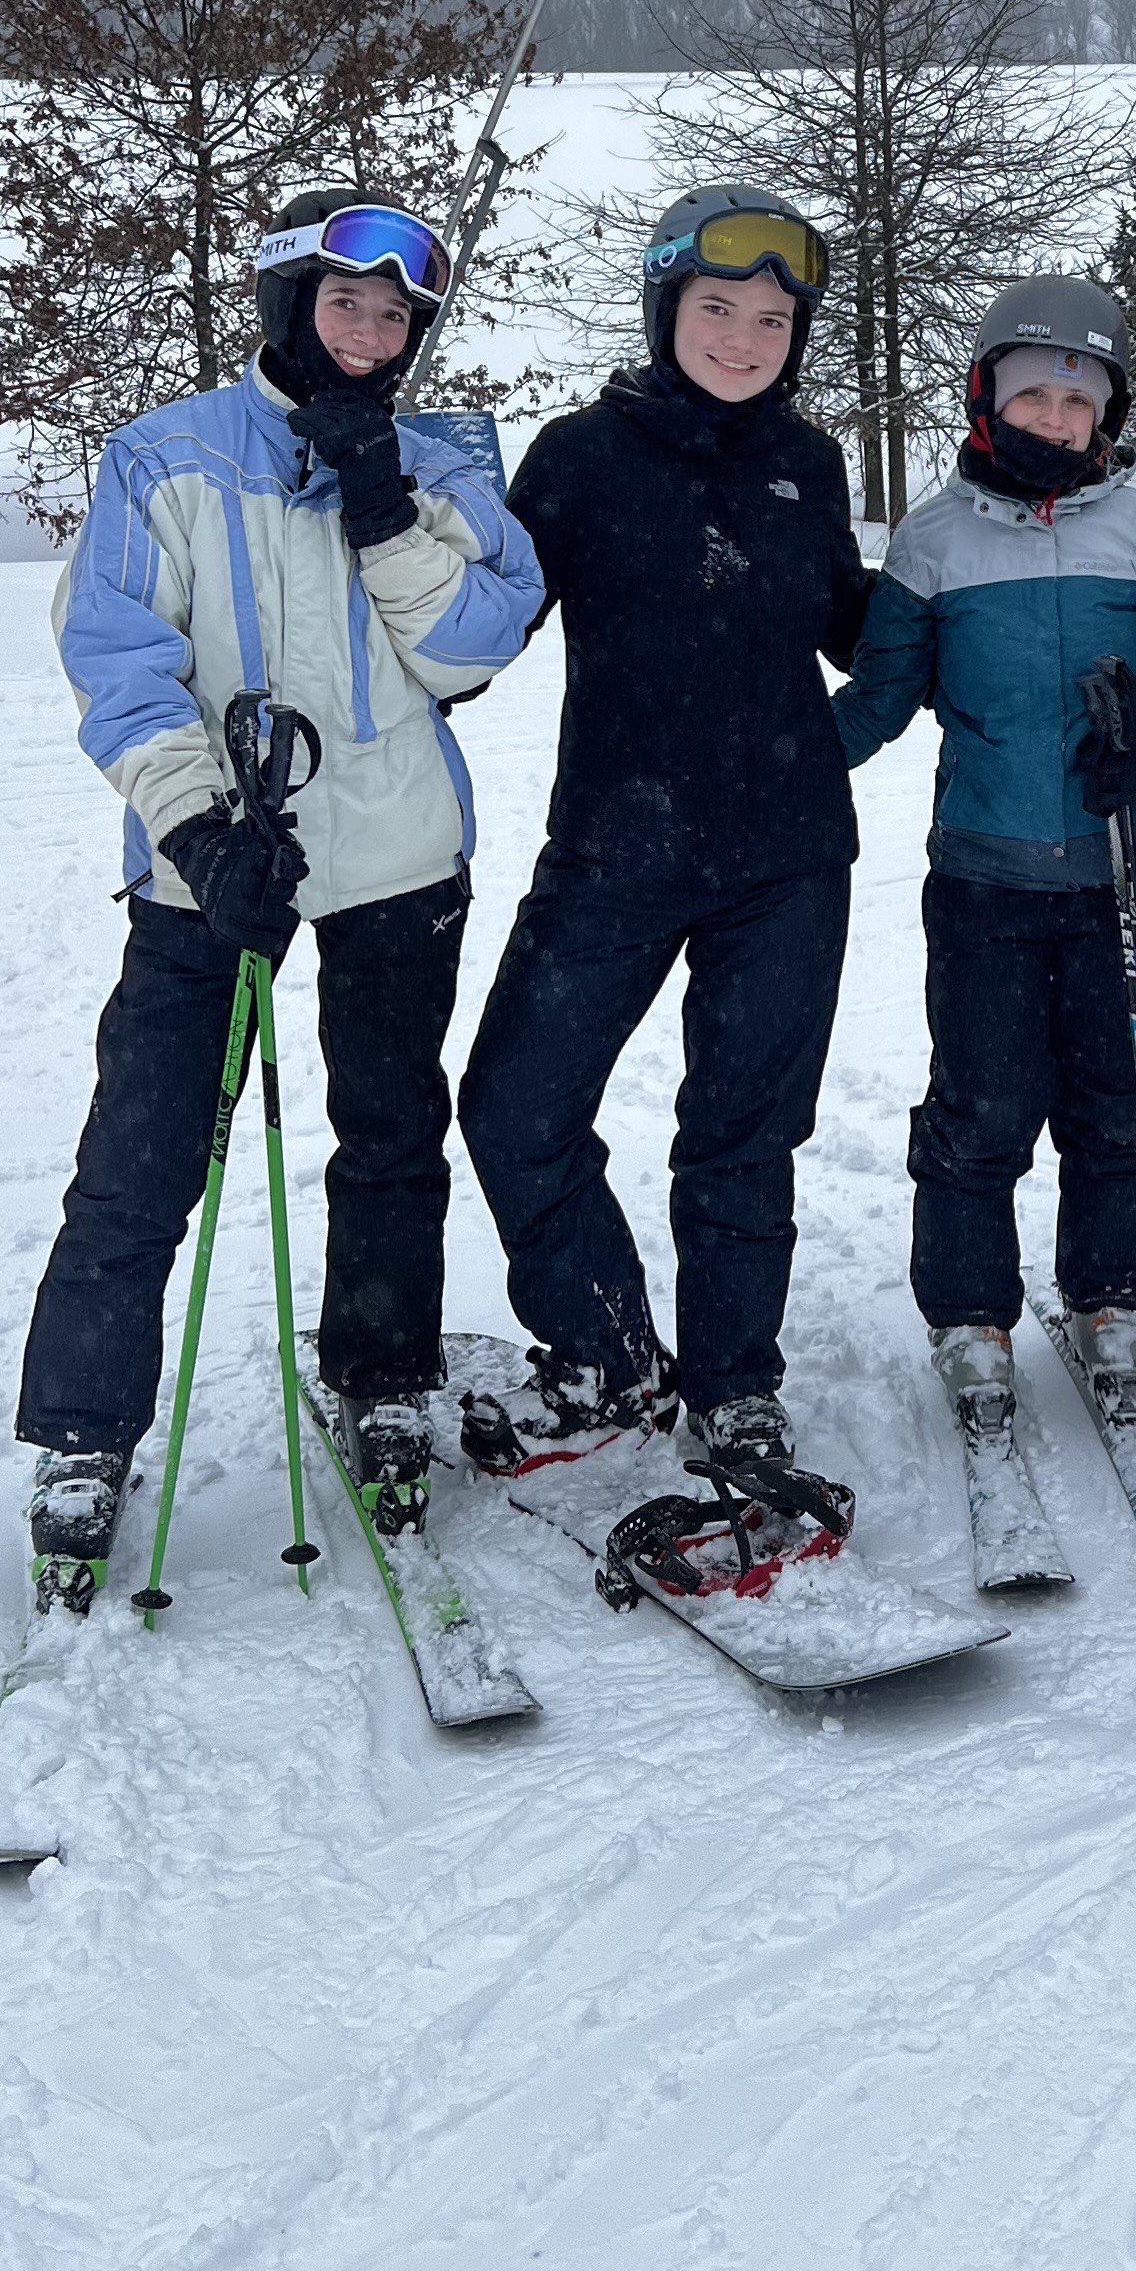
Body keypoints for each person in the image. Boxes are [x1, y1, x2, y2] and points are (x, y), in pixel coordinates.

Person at [18, 187, 545, 1601]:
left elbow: (475, 648)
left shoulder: (444, 464)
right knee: (144, 1148)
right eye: (344, 303)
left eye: (397, 314)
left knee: (389, 1132)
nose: (372, 332)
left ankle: (382, 1372)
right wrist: (199, 833)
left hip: (397, 858)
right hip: (220, 860)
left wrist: (383, 505)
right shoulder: (167, 458)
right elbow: (119, 663)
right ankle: (83, 1430)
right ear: (285, 306)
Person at [457, 188, 871, 1496]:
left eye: (769, 317)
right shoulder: (580, 456)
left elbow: (861, 629)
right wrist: (396, 520)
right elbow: (475, 637)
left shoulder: (809, 463)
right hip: (614, 847)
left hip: (788, 855)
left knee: (742, 1138)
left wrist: (1012, 599)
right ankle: (613, 1351)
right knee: (516, 1102)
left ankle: (736, 1389)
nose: (744, 337)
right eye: (717, 309)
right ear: (665, 311)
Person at [833, 277, 1136, 1445]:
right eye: (1031, 392)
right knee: (982, 1099)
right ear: (984, 394)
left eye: (1077, 397)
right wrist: (783, 758)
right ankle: (969, 1308)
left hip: (1122, 869)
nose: (1054, 415)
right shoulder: (933, 537)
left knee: (1121, 1101)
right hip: (984, 878)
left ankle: (1112, 1293)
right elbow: (882, 695)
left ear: (1104, 412)